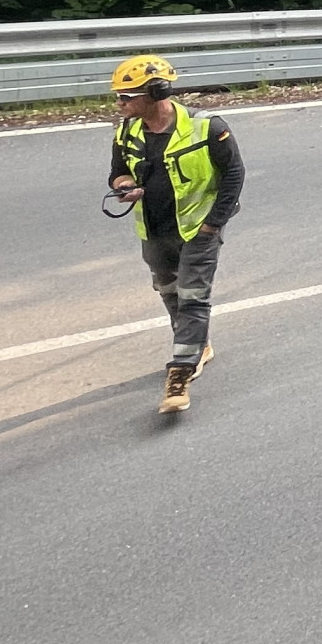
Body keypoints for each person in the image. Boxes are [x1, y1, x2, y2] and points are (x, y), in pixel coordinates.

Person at [106, 54, 246, 414]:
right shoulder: (127, 131)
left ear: (155, 91)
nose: (119, 103)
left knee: (193, 297)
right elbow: (118, 173)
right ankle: (197, 345)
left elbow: (234, 173)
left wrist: (214, 223)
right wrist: (125, 187)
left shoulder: (207, 127)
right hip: (154, 228)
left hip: (199, 228)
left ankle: (180, 375)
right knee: (169, 291)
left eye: (126, 96)